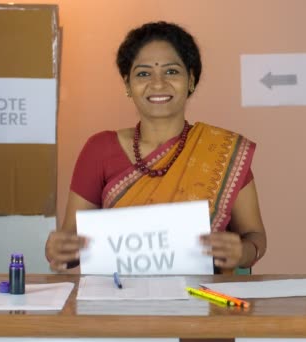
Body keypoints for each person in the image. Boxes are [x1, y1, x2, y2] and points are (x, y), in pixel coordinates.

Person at [45, 21, 266, 274]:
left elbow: (255, 236)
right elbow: (70, 244)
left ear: (191, 79)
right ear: (127, 84)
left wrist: (243, 251)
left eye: (171, 72)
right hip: (117, 305)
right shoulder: (100, 149)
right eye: (143, 73)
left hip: (204, 303)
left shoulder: (224, 153)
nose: (158, 83)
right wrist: (59, 250)